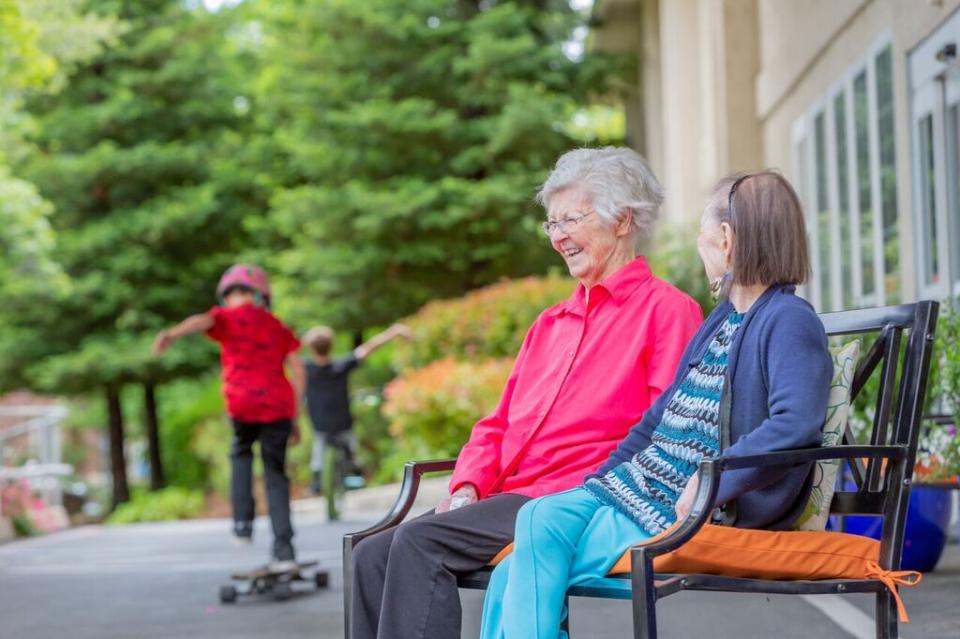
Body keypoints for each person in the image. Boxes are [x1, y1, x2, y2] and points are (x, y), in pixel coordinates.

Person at [350, 147, 704, 639]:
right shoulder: (551, 324)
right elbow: (497, 424)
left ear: (622, 220)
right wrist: (468, 484)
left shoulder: (667, 311)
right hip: (508, 494)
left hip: (578, 498)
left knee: (418, 542)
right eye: (551, 224)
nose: (558, 237)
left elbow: (671, 432)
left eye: (570, 220)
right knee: (371, 554)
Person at [478, 170, 834, 639]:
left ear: (726, 240)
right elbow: (659, 418)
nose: (699, 245)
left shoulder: (788, 320)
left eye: (702, 234)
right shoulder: (724, 319)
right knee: (529, 536)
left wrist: (716, 477)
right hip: (640, 489)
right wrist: (604, 478)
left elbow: (796, 424)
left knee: (533, 545)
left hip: (691, 504)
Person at [152, 264, 305, 569]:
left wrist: (172, 334)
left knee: (241, 455)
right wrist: (295, 416)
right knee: (276, 474)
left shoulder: (224, 318)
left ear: (226, 295)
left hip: (242, 403)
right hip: (277, 405)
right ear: (262, 295)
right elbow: (298, 369)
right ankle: (284, 550)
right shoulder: (277, 326)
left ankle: (242, 524)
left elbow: (202, 320)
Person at [302, 323, 411, 493]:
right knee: (351, 446)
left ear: (311, 348)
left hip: (319, 424)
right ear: (330, 346)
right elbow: (369, 347)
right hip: (342, 421)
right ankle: (355, 469)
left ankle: (317, 478)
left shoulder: (305, 368)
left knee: (318, 449)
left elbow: (285, 356)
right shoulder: (341, 365)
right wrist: (393, 331)